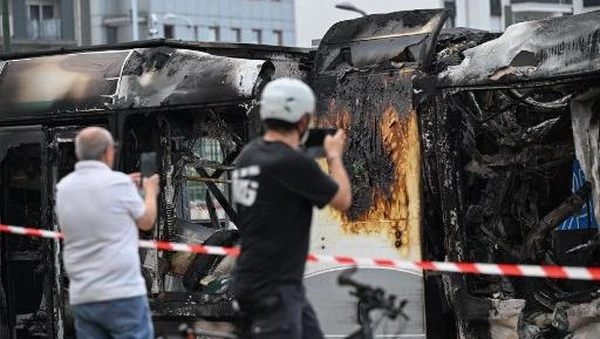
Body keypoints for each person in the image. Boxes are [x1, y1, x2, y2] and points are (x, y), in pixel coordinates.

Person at [231, 78, 352, 339]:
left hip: (265, 281)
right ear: (302, 120)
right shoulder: (292, 163)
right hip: (273, 289)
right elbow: (342, 200)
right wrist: (334, 157)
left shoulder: (248, 156)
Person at [55, 127, 160, 339]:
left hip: (83, 297)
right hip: (121, 295)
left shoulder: (64, 188)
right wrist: (150, 191)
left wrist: (123, 184)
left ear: (78, 154)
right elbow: (147, 221)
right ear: (109, 152)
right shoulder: (118, 184)